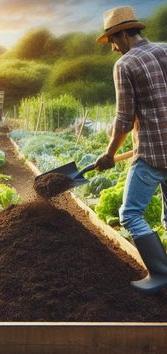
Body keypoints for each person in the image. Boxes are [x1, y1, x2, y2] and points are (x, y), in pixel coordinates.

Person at [95, 6, 167, 294]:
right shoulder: (165, 50)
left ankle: (161, 274)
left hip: (153, 154)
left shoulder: (125, 65)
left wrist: (110, 154)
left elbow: (124, 119)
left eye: (113, 38)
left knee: (130, 214)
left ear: (124, 33)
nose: (113, 47)